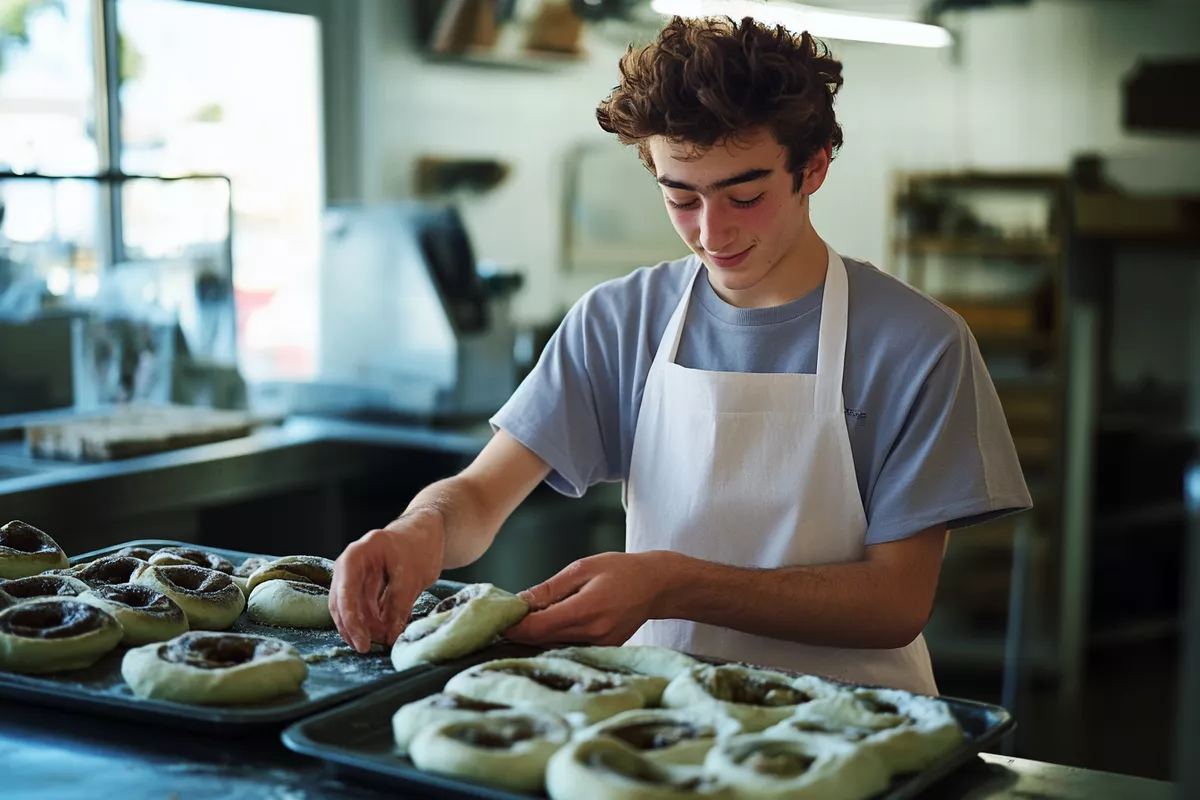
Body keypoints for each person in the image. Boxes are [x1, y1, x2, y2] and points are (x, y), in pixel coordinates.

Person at [330, 15, 1031, 695]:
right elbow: (482, 495)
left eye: (745, 196)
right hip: (661, 724)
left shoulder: (916, 344)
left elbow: (896, 602)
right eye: (682, 198)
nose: (712, 233)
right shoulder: (620, 321)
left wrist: (672, 584)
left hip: (860, 726)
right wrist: (418, 530)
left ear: (813, 167)